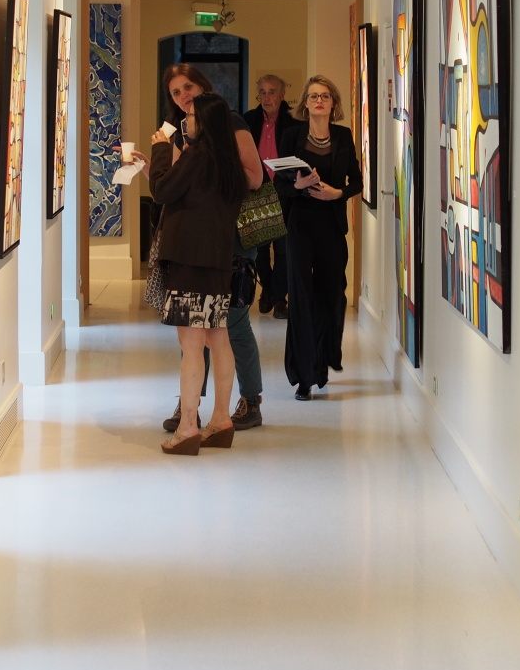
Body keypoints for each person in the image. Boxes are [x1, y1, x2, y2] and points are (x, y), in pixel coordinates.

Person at [140, 64, 268, 432]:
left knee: (227, 326)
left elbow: (253, 177)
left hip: (227, 239)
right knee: (205, 332)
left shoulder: (226, 125)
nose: (183, 97)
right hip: (199, 239)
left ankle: (247, 400)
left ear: (203, 87)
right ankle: (197, 408)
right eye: (176, 93)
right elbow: (174, 188)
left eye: (188, 88)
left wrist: (206, 165)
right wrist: (156, 165)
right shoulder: (186, 134)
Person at [148, 91, 248, 454]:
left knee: (190, 345)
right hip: (218, 261)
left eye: (190, 116)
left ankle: (188, 426)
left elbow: (161, 190)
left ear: (203, 123)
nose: (185, 122)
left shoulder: (197, 156)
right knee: (218, 337)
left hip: (188, 261)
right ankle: (221, 420)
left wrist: (161, 150)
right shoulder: (229, 162)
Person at [275, 76, 362, 400]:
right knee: (300, 298)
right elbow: (280, 183)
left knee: (331, 295)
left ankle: (323, 363)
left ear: (333, 103)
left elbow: (357, 182)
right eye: (313, 96)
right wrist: (298, 186)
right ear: (305, 103)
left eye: (325, 96)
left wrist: (337, 193)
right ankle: (304, 376)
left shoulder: (343, 136)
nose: (319, 101)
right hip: (300, 225)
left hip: (331, 225)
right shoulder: (292, 136)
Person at [243, 74, 297, 317]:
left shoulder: (293, 122)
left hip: (283, 190)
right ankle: (268, 290)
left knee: (284, 249)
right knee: (261, 250)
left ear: (282, 95)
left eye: (272, 92)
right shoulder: (248, 120)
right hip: (258, 189)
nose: (266, 97)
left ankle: (278, 298)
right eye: (262, 92)